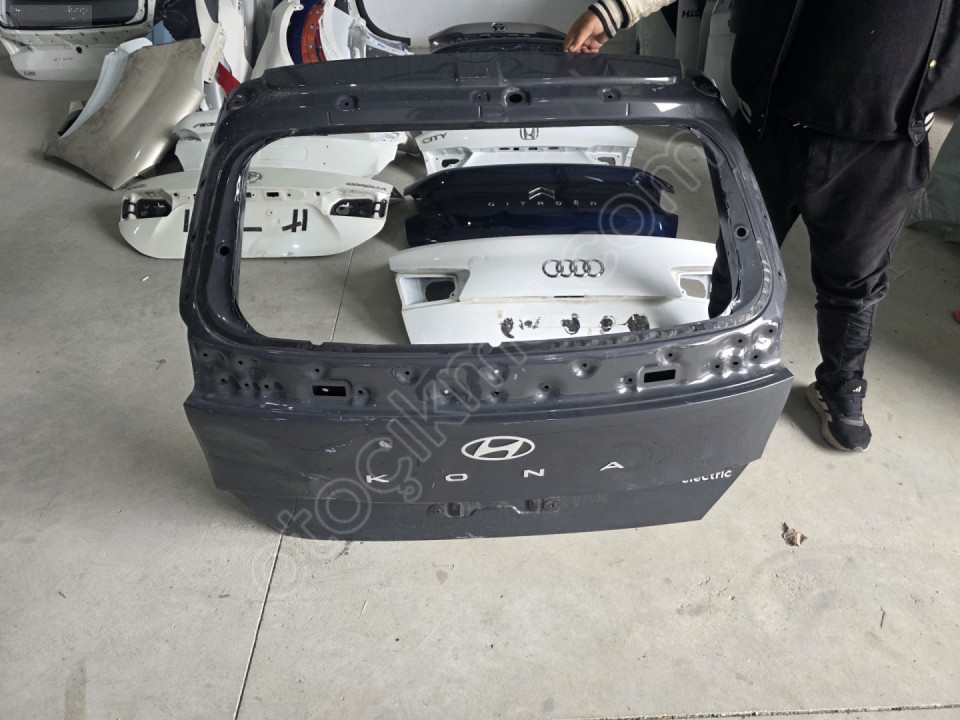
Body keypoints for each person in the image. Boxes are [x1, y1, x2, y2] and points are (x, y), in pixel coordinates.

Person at [566, 0, 960, 451]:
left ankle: (840, 385)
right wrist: (614, 11)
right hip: (772, 127)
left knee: (855, 281)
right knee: (741, 264)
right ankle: (717, 369)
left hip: (886, 146)